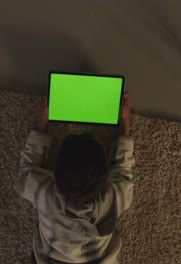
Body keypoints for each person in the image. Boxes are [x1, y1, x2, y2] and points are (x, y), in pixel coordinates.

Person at [15, 92, 135, 264]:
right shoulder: (114, 198)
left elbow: (25, 174)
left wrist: (41, 126)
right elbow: (123, 170)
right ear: (106, 176)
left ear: (54, 174)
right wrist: (125, 123)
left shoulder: (45, 194)